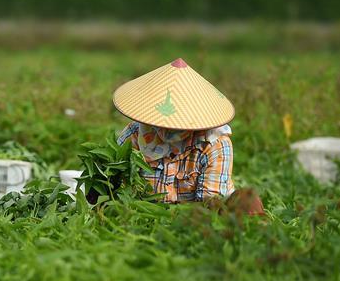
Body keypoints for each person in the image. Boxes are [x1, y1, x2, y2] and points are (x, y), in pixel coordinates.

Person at [107, 57, 256, 208]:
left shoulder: (214, 144)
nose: (170, 128)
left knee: (249, 203)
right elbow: (109, 178)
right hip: (143, 215)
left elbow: (211, 205)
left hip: (194, 220)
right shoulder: (137, 134)